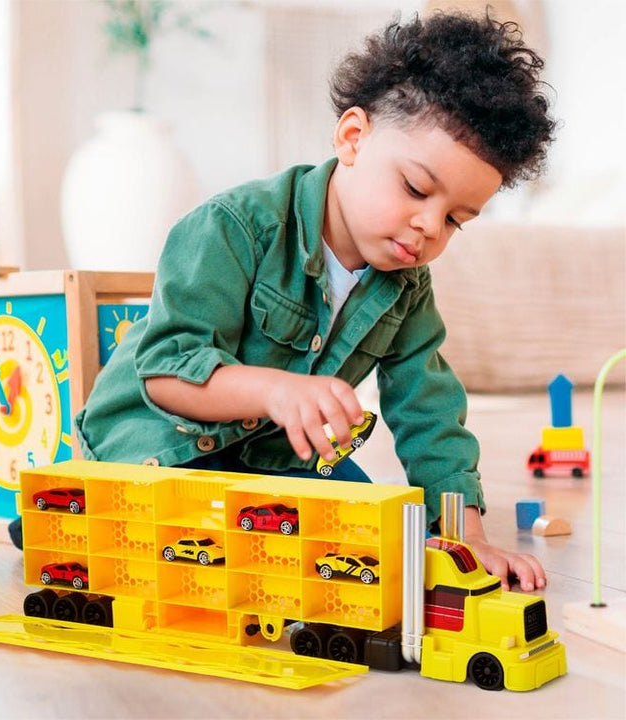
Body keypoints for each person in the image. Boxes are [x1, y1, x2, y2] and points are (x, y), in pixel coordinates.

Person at [74, 11, 557, 592]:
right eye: (415, 189)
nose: (430, 226)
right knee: (187, 544)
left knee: (381, 540)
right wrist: (276, 391)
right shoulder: (234, 226)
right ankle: (79, 515)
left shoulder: (406, 288)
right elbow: (166, 375)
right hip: (158, 451)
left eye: (456, 219)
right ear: (353, 138)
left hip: (272, 463)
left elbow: (429, 412)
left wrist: (466, 535)